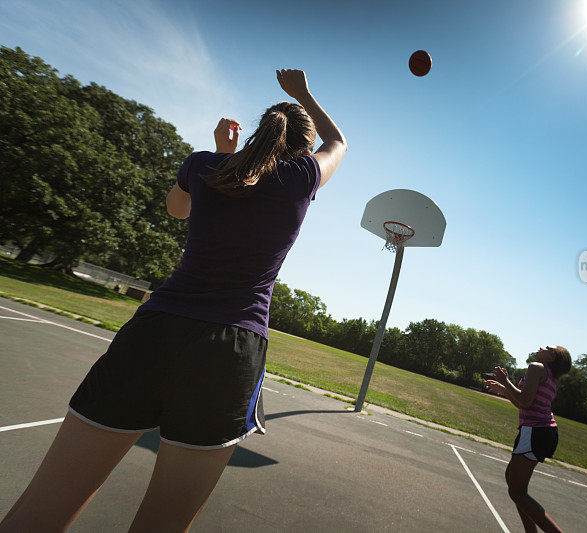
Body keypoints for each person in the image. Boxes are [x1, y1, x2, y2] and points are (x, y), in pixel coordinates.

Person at [0, 68, 347, 532]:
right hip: (230, 350)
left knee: (38, 512)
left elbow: (177, 208)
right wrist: (304, 91)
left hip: (155, 331)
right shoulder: (302, 176)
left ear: (259, 132)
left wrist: (224, 156)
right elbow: (339, 142)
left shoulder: (203, 165)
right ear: (302, 148)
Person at [484, 345, 572, 533]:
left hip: (535, 431)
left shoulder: (536, 367)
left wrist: (506, 380)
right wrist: (503, 388)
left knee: (517, 491)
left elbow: (525, 401)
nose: (541, 347)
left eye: (548, 348)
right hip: (542, 432)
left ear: (552, 358)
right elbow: (523, 404)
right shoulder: (549, 376)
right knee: (512, 479)